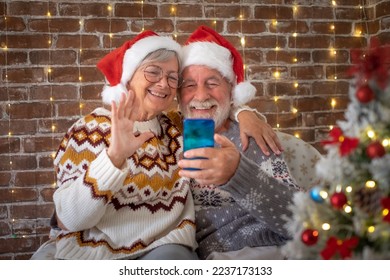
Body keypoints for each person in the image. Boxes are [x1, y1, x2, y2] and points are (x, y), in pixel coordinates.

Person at [31, 30, 278, 260]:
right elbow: (68, 221)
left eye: (172, 77)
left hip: (167, 250)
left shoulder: (175, 127)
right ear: (128, 79)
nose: (163, 84)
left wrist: (246, 112)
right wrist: (114, 157)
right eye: (153, 72)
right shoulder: (91, 129)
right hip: (96, 253)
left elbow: (208, 102)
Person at [177, 25, 304, 259]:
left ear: (231, 90)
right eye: (189, 85)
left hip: (275, 249)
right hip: (218, 256)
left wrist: (237, 174)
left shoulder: (252, 136)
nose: (201, 95)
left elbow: (301, 220)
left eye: (213, 83)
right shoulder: (168, 137)